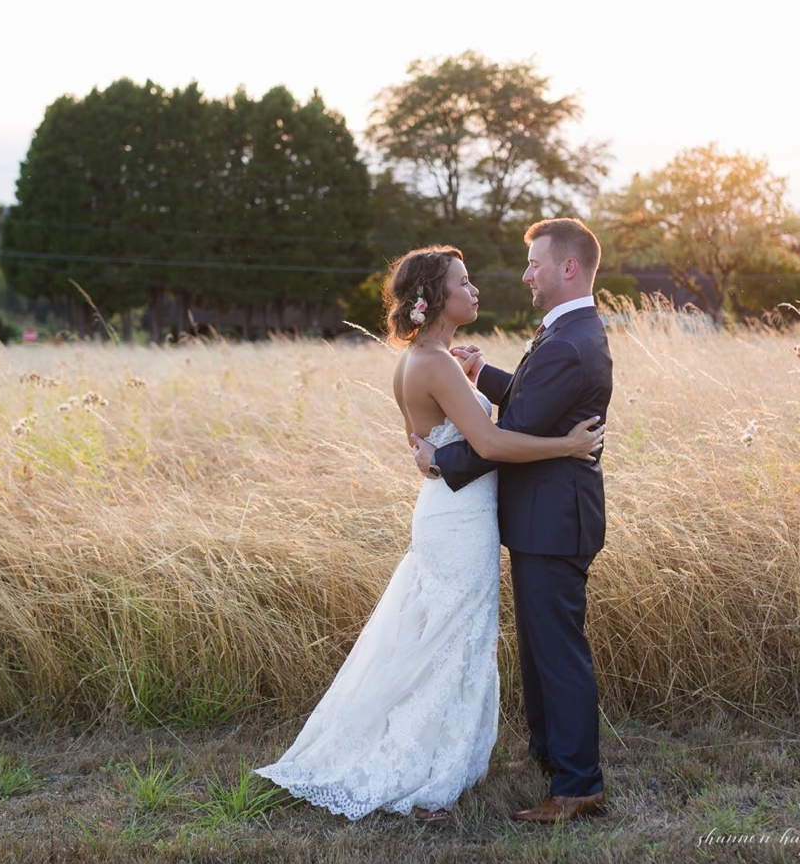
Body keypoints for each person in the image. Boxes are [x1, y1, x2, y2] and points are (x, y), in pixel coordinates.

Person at [254, 246, 604, 822]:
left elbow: (429, 439)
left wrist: (448, 431)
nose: (476, 291)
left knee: (437, 635)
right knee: (449, 639)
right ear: (435, 299)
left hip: (447, 508)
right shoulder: (437, 363)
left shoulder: (421, 358)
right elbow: (489, 443)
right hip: (461, 518)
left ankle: (433, 751)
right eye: (464, 283)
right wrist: (567, 446)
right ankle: (422, 769)